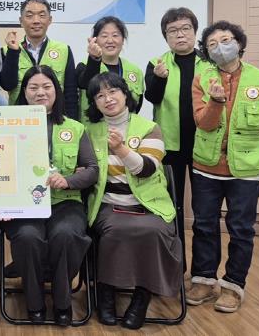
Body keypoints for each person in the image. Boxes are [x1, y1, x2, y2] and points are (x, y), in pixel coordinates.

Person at [187, 21, 259, 313]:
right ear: (207, 52)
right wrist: (216, 101)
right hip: (206, 168)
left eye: (226, 40)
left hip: (246, 174)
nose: (220, 47)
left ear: (239, 43)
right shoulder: (202, 79)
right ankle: (204, 280)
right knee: (204, 226)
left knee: (241, 230)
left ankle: (233, 285)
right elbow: (204, 123)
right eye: (212, 44)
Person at [86, 72, 182, 329]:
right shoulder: (89, 131)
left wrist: (121, 149)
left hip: (148, 204)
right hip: (108, 204)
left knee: (154, 231)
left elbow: (147, 169)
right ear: (94, 103)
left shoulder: (149, 127)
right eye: (100, 95)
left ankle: (142, 297)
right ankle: (105, 294)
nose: (108, 99)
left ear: (125, 94)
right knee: (114, 231)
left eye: (112, 91)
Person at [3, 65, 98, 326]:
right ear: (24, 92)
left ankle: (62, 302)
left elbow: (92, 170)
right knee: (28, 237)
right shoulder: (8, 126)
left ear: (56, 91)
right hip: (23, 205)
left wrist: (68, 180)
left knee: (66, 234)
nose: (40, 93)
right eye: (33, 87)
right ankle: (34, 303)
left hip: (65, 202)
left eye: (47, 87)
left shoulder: (75, 128)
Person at [145, 7, 211, 265]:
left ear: (195, 32)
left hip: (204, 146)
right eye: (172, 31)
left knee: (204, 209)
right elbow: (152, 98)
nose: (180, 35)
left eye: (185, 29)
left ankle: (202, 270)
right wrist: (159, 78)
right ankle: (175, 265)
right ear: (166, 36)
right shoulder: (157, 64)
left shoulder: (210, 63)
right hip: (170, 147)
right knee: (172, 207)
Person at [0, 0, 79, 119]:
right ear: (21, 21)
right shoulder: (8, 50)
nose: (36, 21)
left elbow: (71, 93)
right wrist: (13, 52)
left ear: (50, 20)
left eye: (42, 15)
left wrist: (72, 123)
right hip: (20, 119)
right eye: (29, 16)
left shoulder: (63, 50)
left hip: (56, 119)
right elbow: (8, 85)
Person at [77, 16, 143, 123]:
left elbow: (136, 106)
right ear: (95, 40)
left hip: (127, 130)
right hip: (92, 131)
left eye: (115, 35)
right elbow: (86, 83)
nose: (110, 40)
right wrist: (94, 59)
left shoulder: (135, 71)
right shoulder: (84, 66)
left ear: (123, 40)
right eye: (104, 36)